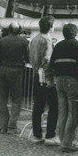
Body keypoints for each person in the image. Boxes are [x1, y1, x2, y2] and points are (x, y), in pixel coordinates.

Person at [49, 23, 78, 153]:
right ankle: (67, 143)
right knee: (73, 113)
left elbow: (52, 64)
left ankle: (62, 140)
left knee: (62, 111)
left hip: (59, 80)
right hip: (72, 81)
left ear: (64, 33)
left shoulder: (58, 46)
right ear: (75, 33)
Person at [0, 22, 28, 134]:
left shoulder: (3, 41)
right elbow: (27, 56)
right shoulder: (24, 41)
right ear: (20, 30)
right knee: (16, 99)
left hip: (3, 69)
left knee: (3, 98)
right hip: (16, 70)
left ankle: (3, 126)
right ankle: (12, 126)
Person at [29, 16, 59, 144]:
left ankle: (37, 134)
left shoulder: (34, 39)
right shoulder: (47, 40)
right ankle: (50, 135)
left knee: (38, 106)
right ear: (51, 27)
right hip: (46, 77)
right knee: (53, 106)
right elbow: (47, 60)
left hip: (36, 73)